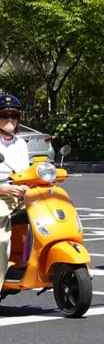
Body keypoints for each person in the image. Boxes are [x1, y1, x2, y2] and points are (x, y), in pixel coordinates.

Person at [0, 94, 30, 285]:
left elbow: (26, 172)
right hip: (2, 196)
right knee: (1, 239)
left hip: (21, 195)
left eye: (14, 115)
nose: (9, 119)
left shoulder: (20, 143)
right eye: (4, 115)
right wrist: (6, 189)